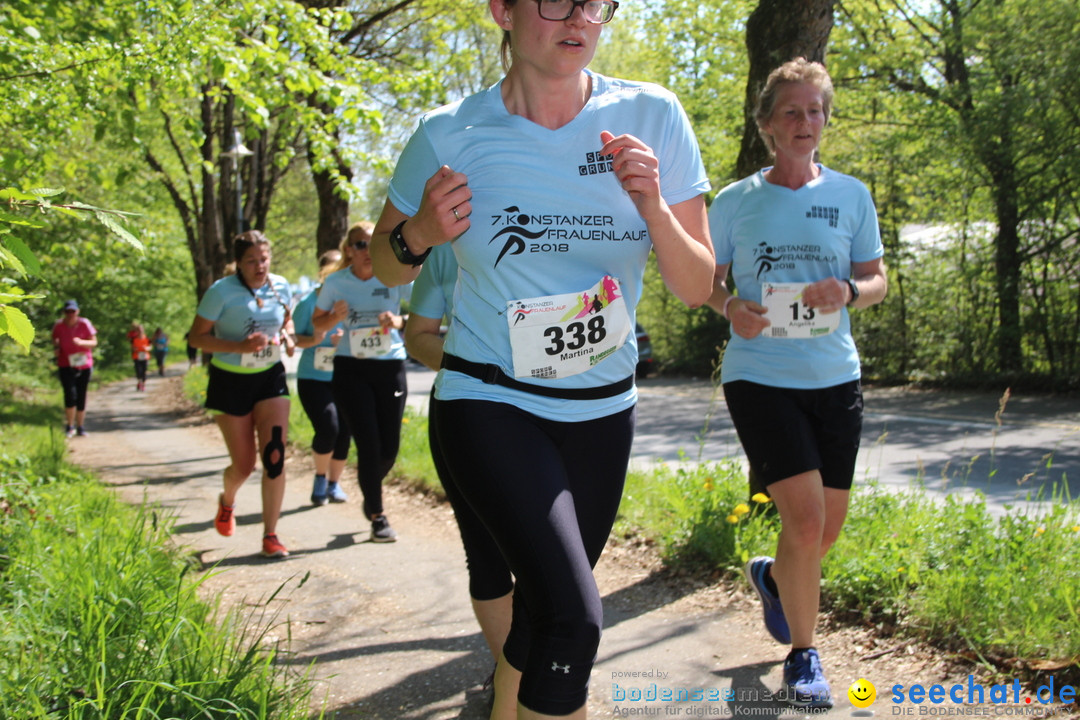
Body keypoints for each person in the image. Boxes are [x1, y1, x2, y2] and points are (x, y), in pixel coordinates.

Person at [369, 0, 715, 714]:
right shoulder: (449, 132)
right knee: (573, 623)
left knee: (534, 627)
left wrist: (654, 208)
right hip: (489, 399)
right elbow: (385, 262)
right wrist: (423, 232)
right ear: (502, 9)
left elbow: (697, 285)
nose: (578, 16)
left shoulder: (653, 115)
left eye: (596, 2)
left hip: (601, 413)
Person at [704, 58, 888, 709]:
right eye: (792, 111)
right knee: (805, 522)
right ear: (766, 126)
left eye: (816, 110)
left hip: (835, 376)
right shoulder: (733, 202)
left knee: (823, 531)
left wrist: (850, 290)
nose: (806, 122)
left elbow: (877, 281)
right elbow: (708, 280)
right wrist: (731, 308)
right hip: (760, 376)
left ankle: (776, 582)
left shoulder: (851, 196)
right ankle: (804, 657)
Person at [404, 243, 514, 672]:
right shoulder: (448, 247)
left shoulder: (572, 216)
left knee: (551, 559)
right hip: (470, 409)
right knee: (485, 549)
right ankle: (510, 676)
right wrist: (482, 366)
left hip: (570, 415)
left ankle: (537, 667)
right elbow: (418, 336)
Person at [186, 230, 295, 559]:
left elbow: (286, 322)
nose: (259, 266)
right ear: (238, 263)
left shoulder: (281, 286)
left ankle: (271, 535)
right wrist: (238, 346)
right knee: (244, 465)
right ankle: (227, 500)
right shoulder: (221, 292)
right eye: (251, 260)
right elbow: (196, 338)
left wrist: (288, 337)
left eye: (264, 258)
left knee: (274, 457)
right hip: (230, 381)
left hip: (270, 378)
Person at [312, 222, 411, 543]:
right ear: (348, 251)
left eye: (371, 244)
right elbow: (317, 324)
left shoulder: (393, 277)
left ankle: (371, 488)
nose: (366, 251)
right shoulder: (336, 282)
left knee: (389, 448)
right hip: (351, 369)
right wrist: (333, 318)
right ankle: (378, 516)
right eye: (358, 245)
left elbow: (420, 312)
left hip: (390, 366)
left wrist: (397, 321)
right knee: (368, 444)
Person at [292, 248, 351, 506]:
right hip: (313, 378)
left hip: (346, 376)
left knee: (345, 431)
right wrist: (315, 339)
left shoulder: (352, 302)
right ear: (322, 274)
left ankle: (334, 484)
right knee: (329, 426)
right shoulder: (307, 305)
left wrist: (345, 341)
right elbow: (293, 340)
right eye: (334, 271)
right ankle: (319, 478)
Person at [52, 299, 98, 438]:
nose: (70, 314)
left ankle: (81, 426)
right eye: (67, 311)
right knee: (70, 395)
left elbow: (94, 342)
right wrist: (56, 348)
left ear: (77, 311)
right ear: (64, 312)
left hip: (84, 365)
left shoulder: (85, 323)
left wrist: (81, 342)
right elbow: (55, 339)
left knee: (81, 395)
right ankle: (69, 426)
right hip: (66, 364)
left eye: (73, 311)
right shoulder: (59, 325)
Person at [129, 323, 151, 391]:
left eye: (141, 329)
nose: (140, 331)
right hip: (137, 356)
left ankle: (143, 384)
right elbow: (131, 347)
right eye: (138, 330)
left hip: (145, 356)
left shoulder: (147, 338)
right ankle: (140, 382)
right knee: (138, 370)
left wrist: (147, 348)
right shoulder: (134, 339)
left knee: (144, 370)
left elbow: (150, 346)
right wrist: (135, 349)